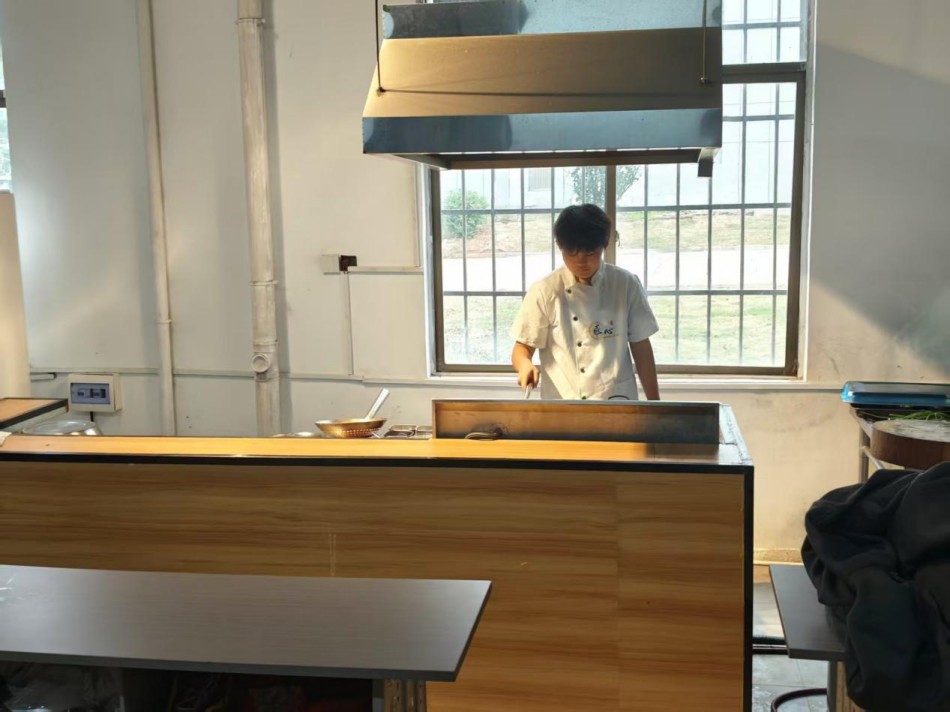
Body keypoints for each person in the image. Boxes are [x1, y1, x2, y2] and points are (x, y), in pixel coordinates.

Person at [510, 203, 660, 401]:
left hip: (617, 399)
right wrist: (524, 365)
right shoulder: (545, 290)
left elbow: (642, 348)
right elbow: (522, 347)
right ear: (560, 246)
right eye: (572, 253)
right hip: (564, 402)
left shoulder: (625, 284)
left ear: (604, 245)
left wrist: (656, 405)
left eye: (590, 253)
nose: (581, 261)